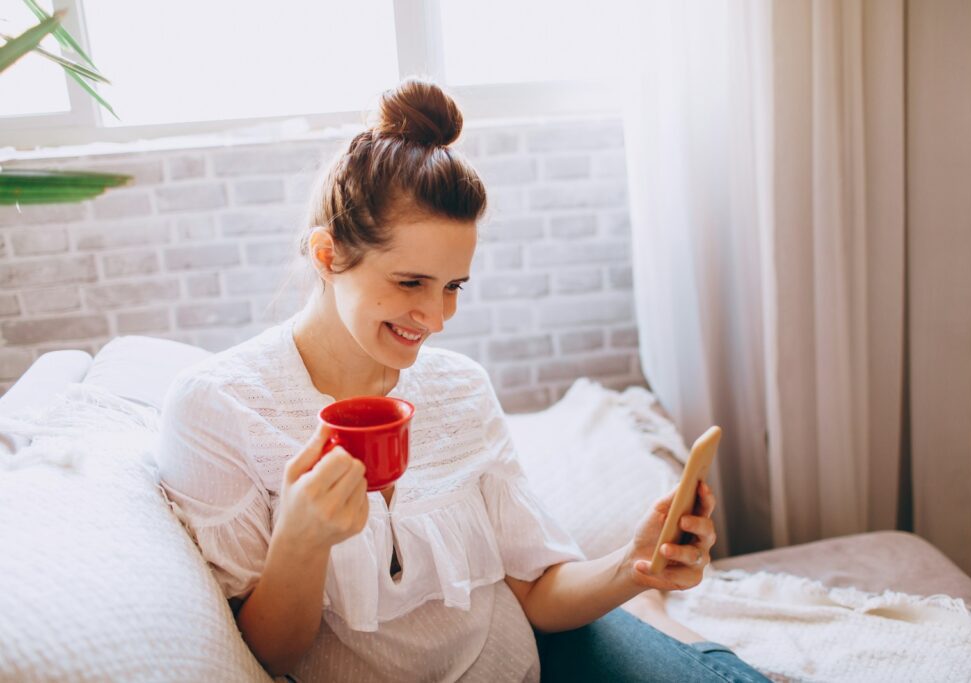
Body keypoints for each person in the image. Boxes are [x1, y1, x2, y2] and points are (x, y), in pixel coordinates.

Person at [156, 78, 768, 683]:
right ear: (327, 255)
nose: (437, 318)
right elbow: (269, 659)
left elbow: (536, 590)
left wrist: (637, 566)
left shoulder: (460, 388)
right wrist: (300, 541)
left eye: (453, 287)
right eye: (410, 283)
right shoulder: (219, 406)